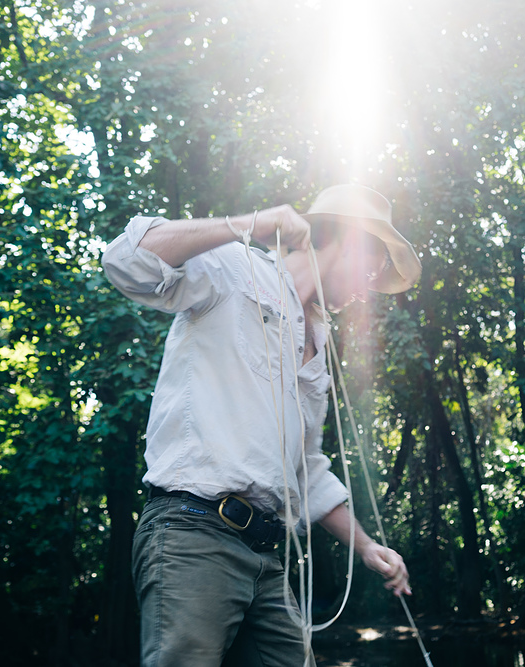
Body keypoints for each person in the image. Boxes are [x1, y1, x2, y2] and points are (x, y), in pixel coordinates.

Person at [102, 184, 421, 667]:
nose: (370, 285)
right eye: (373, 266)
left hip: (265, 556)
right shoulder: (235, 266)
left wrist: (368, 546)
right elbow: (126, 260)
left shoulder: (317, 343)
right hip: (193, 533)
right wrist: (246, 225)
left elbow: (306, 469)